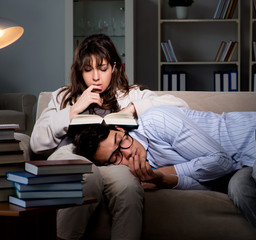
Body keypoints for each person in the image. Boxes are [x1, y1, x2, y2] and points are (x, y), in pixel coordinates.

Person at [73, 105, 256, 240]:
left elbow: (220, 160)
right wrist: (162, 179)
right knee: (239, 188)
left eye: (121, 142)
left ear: (121, 128)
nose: (126, 154)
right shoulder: (142, 174)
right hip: (240, 169)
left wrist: (167, 172)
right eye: (115, 157)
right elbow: (214, 179)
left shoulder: (156, 120)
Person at [30, 34, 189, 240]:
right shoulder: (63, 96)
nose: (96, 77)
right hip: (73, 154)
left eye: (102, 69)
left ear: (114, 67)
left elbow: (181, 106)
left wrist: (134, 108)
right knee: (87, 176)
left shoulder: (130, 94)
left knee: (129, 186)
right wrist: (75, 109)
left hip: (113, 161)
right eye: (88, 70)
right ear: (80, 71)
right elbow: (36, 142)